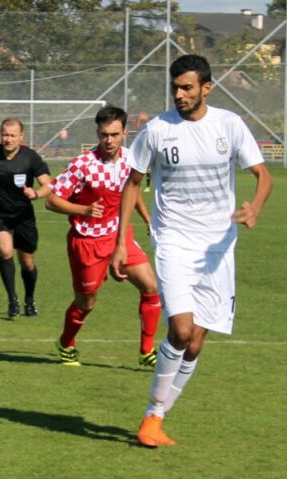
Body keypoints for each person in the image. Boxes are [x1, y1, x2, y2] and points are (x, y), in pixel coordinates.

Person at [109, 55, 272, 448]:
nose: (179, 94)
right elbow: (133, 183)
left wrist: (255, 206)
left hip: (217, 246)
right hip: (173, 240)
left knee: (196, 341)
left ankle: (158, 418)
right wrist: (121, 240)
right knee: (181, 331)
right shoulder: (157, 130)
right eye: (175, 88)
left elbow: (262, 174)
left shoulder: (229, 125)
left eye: (187, 87)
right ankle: (151, 416)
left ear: (206, 88)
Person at [46, 105, 161, 368]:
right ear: (97, 134)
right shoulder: (82, 165)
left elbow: (130, 193)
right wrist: (83, 209)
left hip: (118, 234)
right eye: (103, 135)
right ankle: (66, 342)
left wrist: (146, 217)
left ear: (125, 133)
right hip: (87, 242)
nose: (108, 140)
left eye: (114, 134)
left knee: (151, 286)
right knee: (86, 302)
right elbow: (51, 200)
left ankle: (146, 351)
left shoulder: (133, 159)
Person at [0, 118, 52, 318]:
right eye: (5, 134)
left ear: (21, 136)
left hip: (23, 215)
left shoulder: (31, 157)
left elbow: (48, 184)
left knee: (27, 262)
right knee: (5, 251)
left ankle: (29, 300)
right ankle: (12, 299)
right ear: (0, 134)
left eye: (13, 135)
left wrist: (36, 193)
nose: (8, 139)